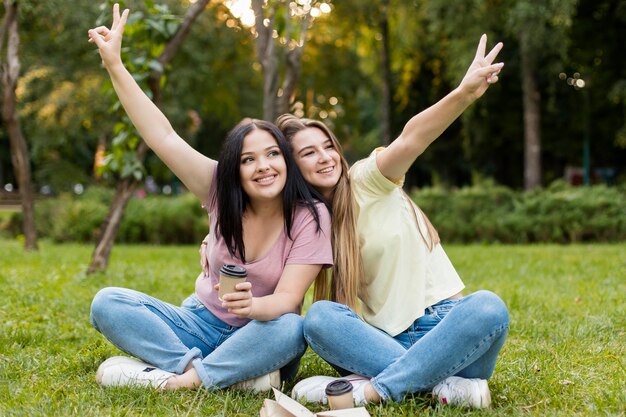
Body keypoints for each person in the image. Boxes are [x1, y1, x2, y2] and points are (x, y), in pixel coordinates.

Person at [87, 4, 332, 391]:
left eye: (272, 154)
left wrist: (252, 307)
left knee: (291, 328)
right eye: (248, 159)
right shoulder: (218, 186)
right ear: (235, 168)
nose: (263, 167)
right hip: (198, 324)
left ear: (285, 160)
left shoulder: (310, 215)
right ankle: (212, 374)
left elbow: (286, 300)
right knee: (107, 302)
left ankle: (176, 380)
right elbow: (162, 136)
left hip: (261, 336)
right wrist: (115, 64)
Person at [276, 34, 510, 408]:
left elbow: (410, 138)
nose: (325, 157)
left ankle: (373, 389)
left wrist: (463, 94)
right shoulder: (309, 226)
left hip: (447, 329)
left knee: (487, 308)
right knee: (319, 318)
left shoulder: (366, 180)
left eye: (327, 146)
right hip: (386, 341)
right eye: (308, 153)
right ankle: (442, 386)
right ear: (293, 168)